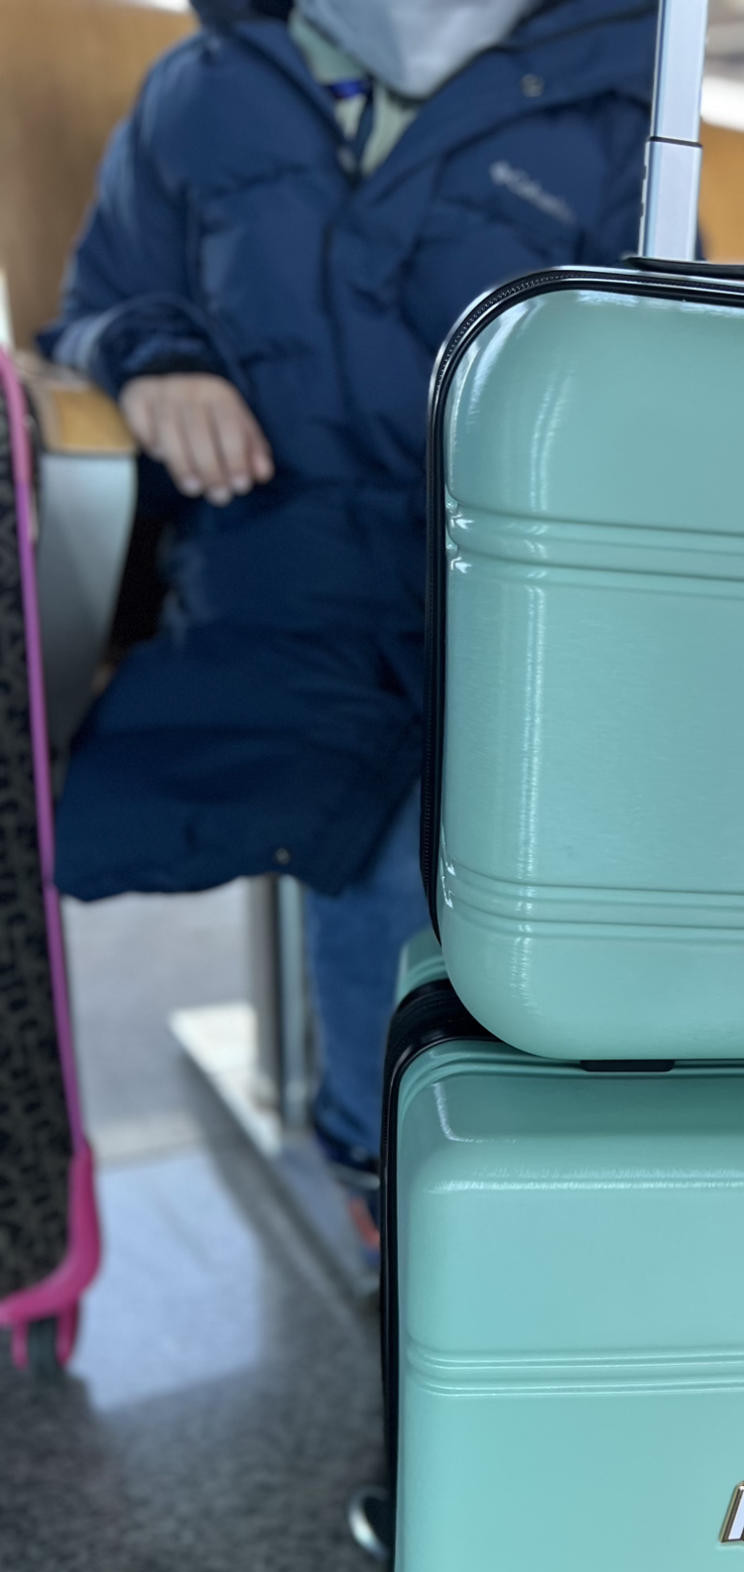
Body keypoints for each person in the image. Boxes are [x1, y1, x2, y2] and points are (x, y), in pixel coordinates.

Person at [40, 0, 655, 1238]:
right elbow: (100, 302)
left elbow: (654, 377)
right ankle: (387, 1169)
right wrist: (157, 363)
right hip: (275, 555)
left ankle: (474, 1165)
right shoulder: (204, 89)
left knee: (530, 779)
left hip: (509, 578)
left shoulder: (620, 116)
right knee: (392, 798)